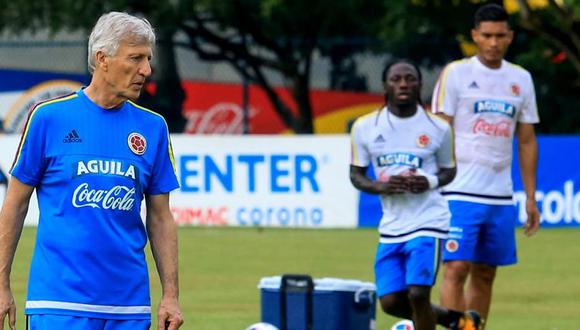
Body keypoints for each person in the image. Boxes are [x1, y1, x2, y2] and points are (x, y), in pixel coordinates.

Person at [0, 12, 184, 330]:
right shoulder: (48, 118)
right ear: (103, 59)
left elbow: (160, 217)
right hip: (57, 303)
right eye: (136, 58)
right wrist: (1, 285)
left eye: (148, 59)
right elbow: (15, 205)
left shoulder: (153, 128)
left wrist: (170, 295)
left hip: (129, 308)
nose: (147, 70)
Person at [431, 3, 540, 327]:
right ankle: (455, 327)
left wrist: (530, 196)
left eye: (500, 36)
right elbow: (439, 130)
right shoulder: (456, 73)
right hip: (459, 191)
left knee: (485, 272)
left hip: (499, 195)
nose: (493, 42)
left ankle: (474, 327)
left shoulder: (521, 79)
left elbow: (526, 140)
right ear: (475, 36)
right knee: (456, 267)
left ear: (510, 37)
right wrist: (434, 182)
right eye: (487, 36)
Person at [350, 59, 480, 330]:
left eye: (410, 78)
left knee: (419, 294)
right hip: (391, 226)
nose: (403, 84)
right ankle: (455, 320)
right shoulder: (364, 127)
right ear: (385, 85)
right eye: (396, 79)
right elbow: (357, 175)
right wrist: (381, 186)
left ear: (420, 84)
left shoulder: (438, 128)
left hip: (428, 221)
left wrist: (428, 181)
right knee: (391, 303)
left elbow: (449, 171)